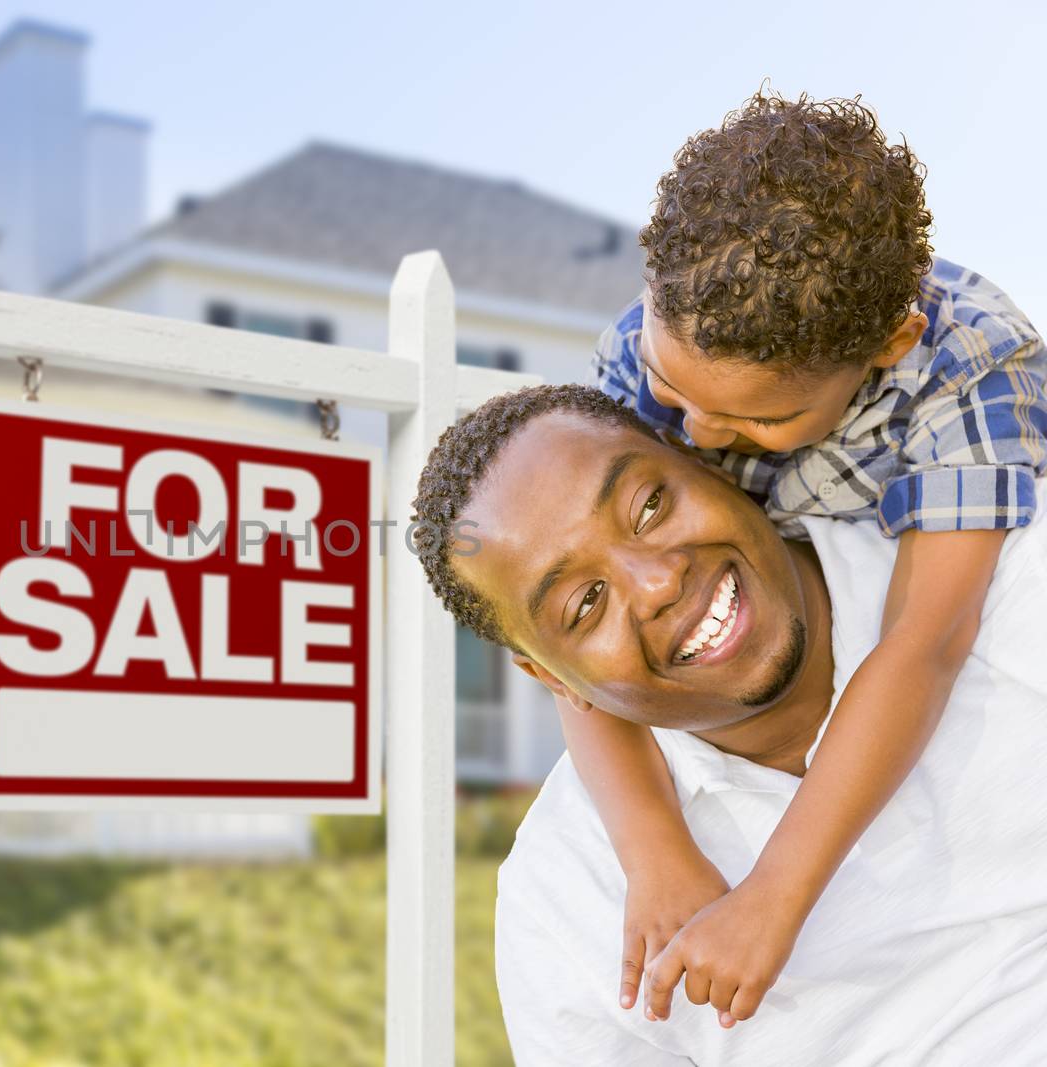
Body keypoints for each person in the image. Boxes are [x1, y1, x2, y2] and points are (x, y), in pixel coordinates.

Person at [573, 91, 1047, 1025]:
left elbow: (926, 639)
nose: (695, 432)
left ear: (889, 345)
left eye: (759, 418)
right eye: (675, 389)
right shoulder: (643, 348)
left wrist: (773, 897)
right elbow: (567, 627)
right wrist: (654, 848)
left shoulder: (974, 367)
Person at [411, 384, 1047, 1064]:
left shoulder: (1009, 575)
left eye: (650, 505)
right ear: (555, 680)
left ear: (707, 460)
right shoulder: (567, 898)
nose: (656, 582)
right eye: (585, 603)